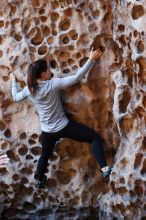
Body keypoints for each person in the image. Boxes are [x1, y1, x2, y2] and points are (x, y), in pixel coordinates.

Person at [10, 48, 112, 189]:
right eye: (48, 70)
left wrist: (13, 82)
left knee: (45, 154)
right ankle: (105, 169)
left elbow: (15, 98)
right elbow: (77, 77)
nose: (50, 72)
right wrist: (91, 60)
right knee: (94, 138)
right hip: (64, 127)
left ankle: (39, 180)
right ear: (43, 74)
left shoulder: (29, 90)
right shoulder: (53, 84)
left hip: (47, 131)